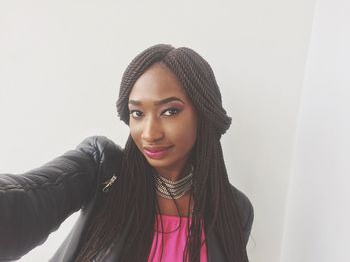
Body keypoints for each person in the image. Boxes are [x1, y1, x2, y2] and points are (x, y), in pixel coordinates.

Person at [0, 44, 254, 262]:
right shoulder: (101, 166)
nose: (150, 133)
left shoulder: (233, 209)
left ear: (203, 114)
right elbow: (27, 201)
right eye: (138, 113)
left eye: (169, 111)